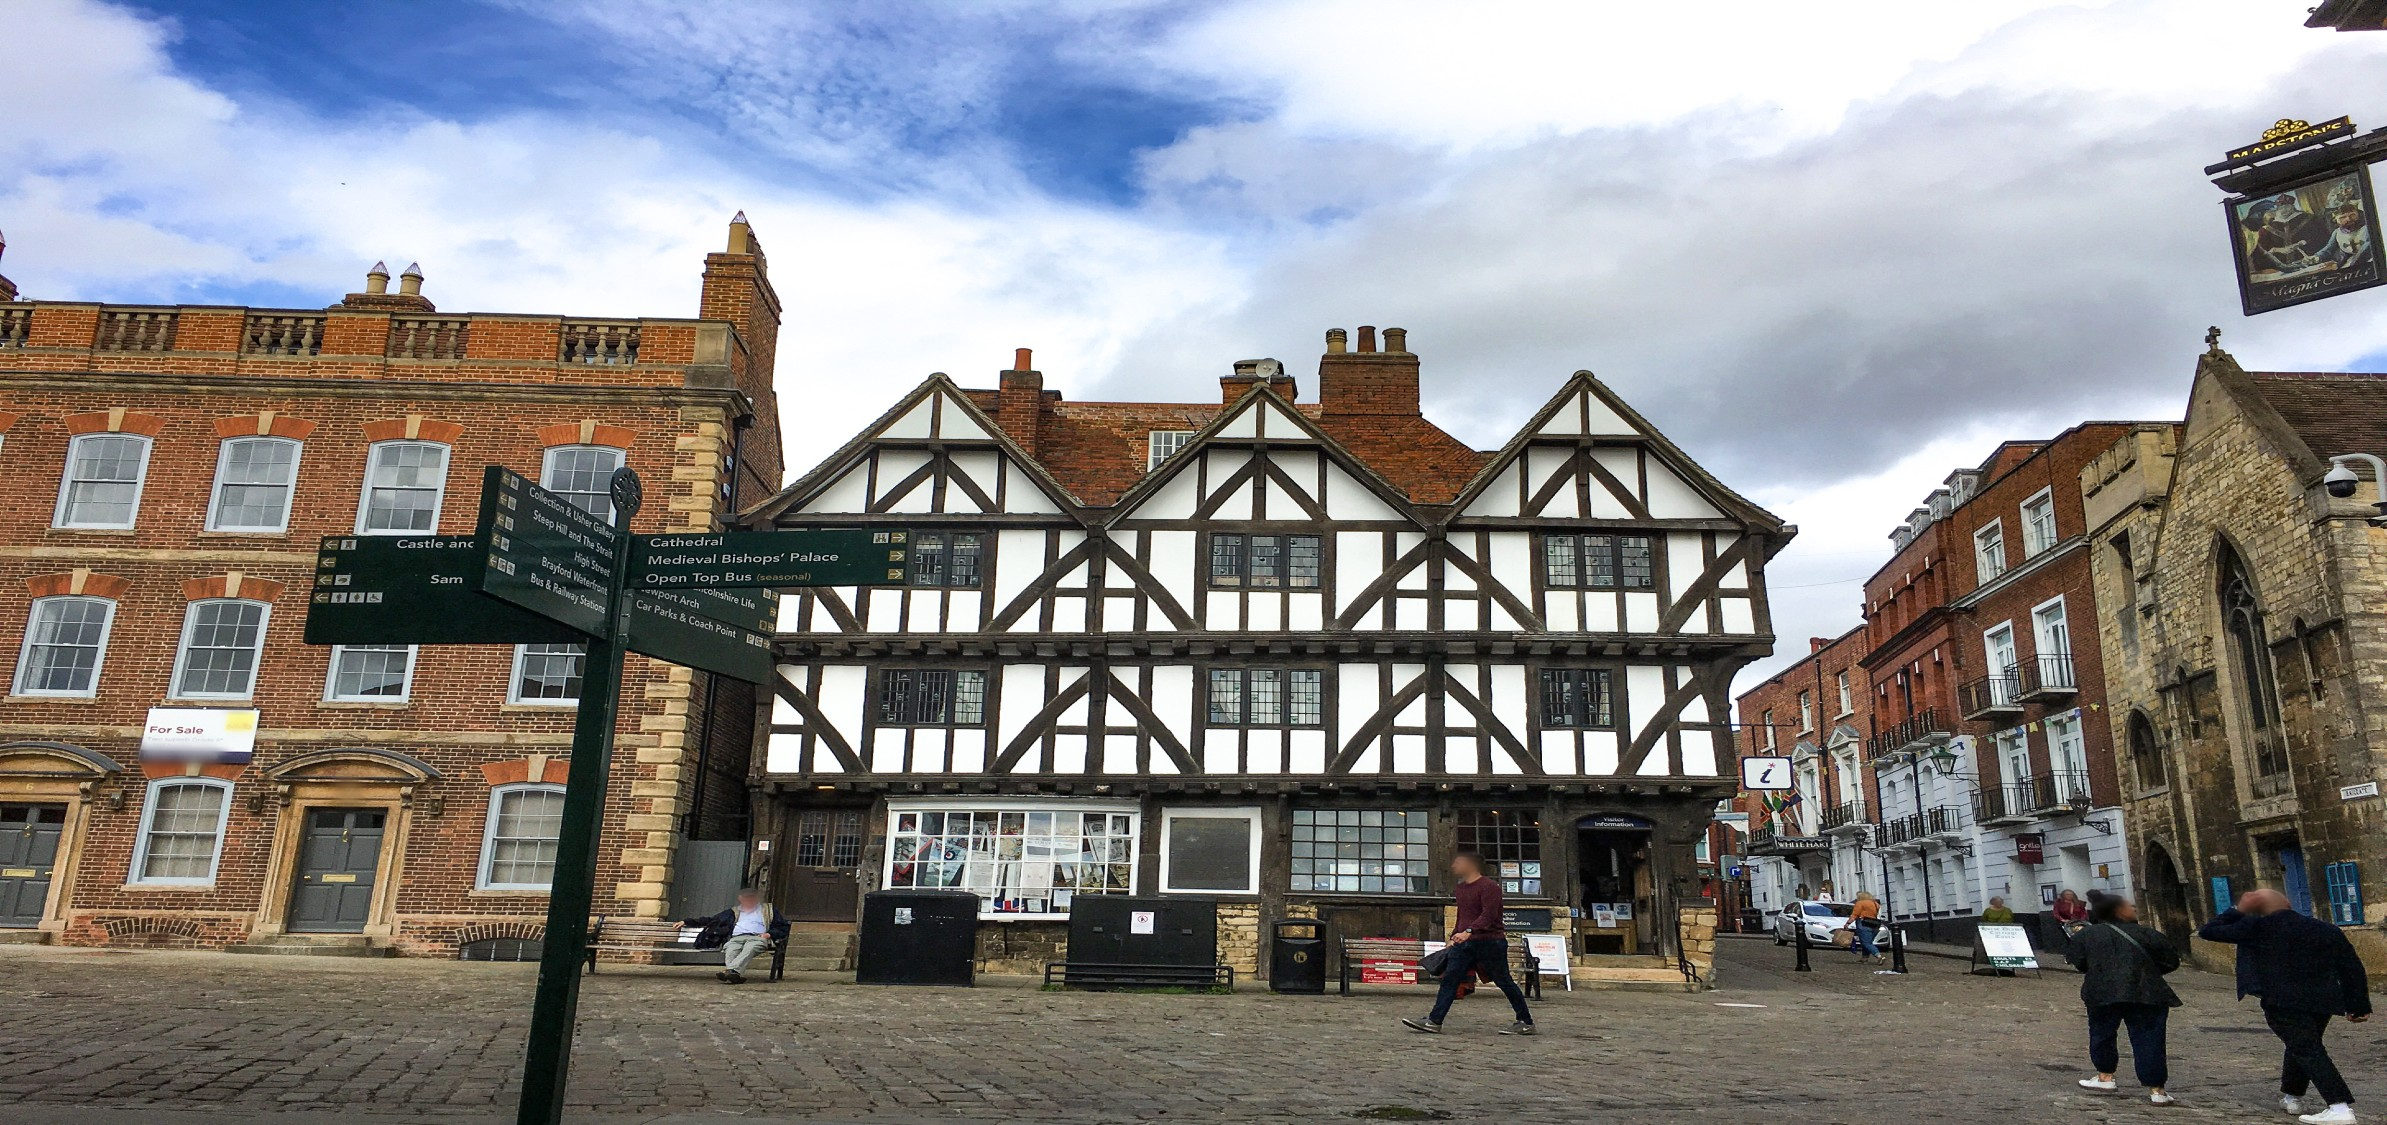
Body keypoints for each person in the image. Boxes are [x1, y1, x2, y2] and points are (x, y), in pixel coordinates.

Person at [2200, 888, 2373, 1124]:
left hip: (2282, 1000)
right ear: (2289, 903)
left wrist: (2238, 910)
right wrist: (2358, 1005)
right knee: (2301, 1044)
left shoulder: (2255, 927)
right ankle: (2292, 1096)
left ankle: (2339, 1106)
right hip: (2321, 1001)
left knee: (2307, 1049)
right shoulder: (2323, 928)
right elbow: (2351, 967)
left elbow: (2208, 931)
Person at [1402, 851, 1534, 1036]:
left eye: (1458, 862)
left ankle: (1525, 1022)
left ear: (1471, 865)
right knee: (1449, 980)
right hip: (1464, 944)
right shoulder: (1461, 889)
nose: (1454, 865)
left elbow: (1488, 915)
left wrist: (1469, 931)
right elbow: (1463, 916)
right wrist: (1455, 935)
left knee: (1504, 981)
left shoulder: (1490, 887)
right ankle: (1434, 1021)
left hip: (1489, 942)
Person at [2068, 893, 2182, 1106]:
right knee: (2149, 1039)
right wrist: (2147, 971)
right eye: (2130, 906)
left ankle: (2105, 1076)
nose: (2134, 909)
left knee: (2102, 1034)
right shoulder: (2148, 934)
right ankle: (2157, 1089)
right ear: (2118, 911)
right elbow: (2171, 961)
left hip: (2102, 992)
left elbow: (2079, 962)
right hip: (2146, 992)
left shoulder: (2086, 936)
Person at [682, 887, 788, 985]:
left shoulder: (768, 910)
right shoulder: (733, 912)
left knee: (750, 947)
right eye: (746, 898)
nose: (749, 900)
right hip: (736, 938)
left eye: (752, 898)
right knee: (730, 948)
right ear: (740, 899)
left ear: (756, 898)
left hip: (758, 937)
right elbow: (711, 920)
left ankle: (730, 971)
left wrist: (769, 934)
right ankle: (734, 974)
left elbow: (783, 927)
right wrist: (687, 921)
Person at [1849, 891, 1885, 963]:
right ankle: (1864, 958)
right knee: (1866, 942)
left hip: (1863, 923)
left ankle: (1879, 956)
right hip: (1874, 925)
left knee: (1866, 943)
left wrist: (1848, 923)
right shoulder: (1876, 904)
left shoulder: (1860, 903)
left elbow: (1855, 914)